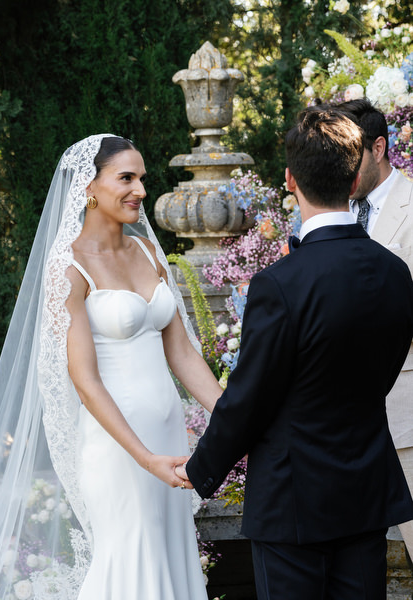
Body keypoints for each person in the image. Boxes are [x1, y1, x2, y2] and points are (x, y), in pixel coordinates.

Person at [0, 134, 222, 600]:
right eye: (126, 178)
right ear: (88, 186)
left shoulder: (147, 252)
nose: (140, 190)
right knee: (128, 561)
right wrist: (144, 458)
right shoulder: (69, 268)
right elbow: (84, 381)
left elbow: (182, 354)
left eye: (142, 178)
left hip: (168, 436)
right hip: (118, 447)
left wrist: (235, 416)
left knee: (172, 557)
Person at [176, 107, 413, 599]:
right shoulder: (395, 273)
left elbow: (249, 397)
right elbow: (382, 374)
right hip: (365, 492)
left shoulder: (278, 285)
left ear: (289, 179)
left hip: (293, 500)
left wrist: (200, 470)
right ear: (354, 179)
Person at [335, 97, 413, 560]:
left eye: (349, 156)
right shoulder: (330, 210)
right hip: (345, 424)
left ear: (378, 148)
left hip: (407, 415)